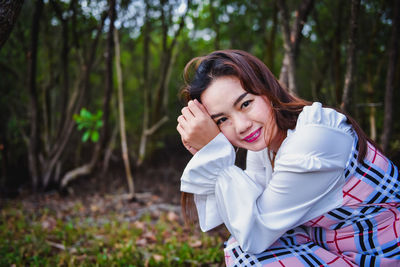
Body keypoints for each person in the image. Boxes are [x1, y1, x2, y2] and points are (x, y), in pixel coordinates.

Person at [176, 50, 400, 266]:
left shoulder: (312, 139)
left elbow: (255, 234)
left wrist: (214, 156)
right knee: (240, 250)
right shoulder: (264, 147)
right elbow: (250, 217)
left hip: (382, 257)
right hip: (338, 252)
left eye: (246, 104)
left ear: (266, 89)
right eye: (222, 120)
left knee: (249, 259)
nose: (242, 126)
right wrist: (210, 153)